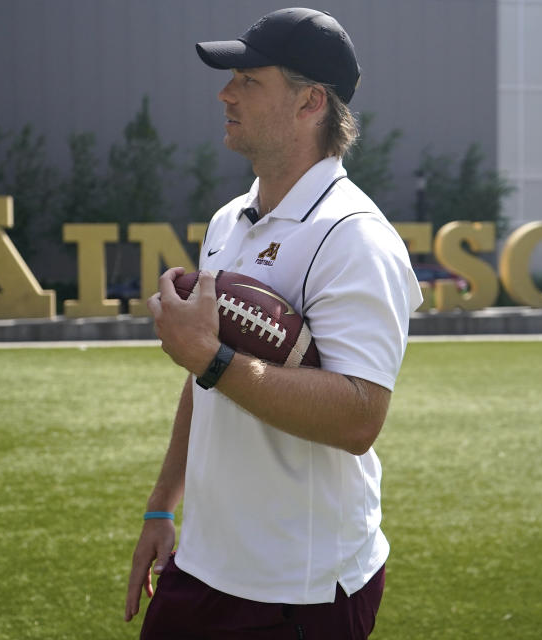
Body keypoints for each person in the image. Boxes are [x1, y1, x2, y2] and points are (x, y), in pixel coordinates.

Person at [124, 8, 422, 638]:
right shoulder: (229, 219)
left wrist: (210, 359)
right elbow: (205, 377)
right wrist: (160, 508)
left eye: (249, 81)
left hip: (301, 586)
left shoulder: (354, 238)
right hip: (204, 564)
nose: (225, 92)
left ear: (310, 102)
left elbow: (359, 416)